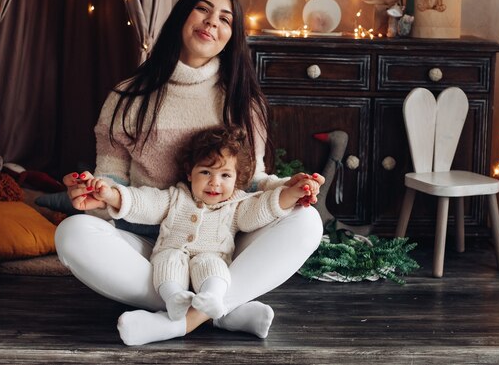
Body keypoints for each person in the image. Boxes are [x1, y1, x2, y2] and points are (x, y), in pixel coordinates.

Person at [55, 0, 324, 346]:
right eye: (203, 9)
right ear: (182, 15)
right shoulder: (128, 97)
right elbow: (112, 179)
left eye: (225, 18)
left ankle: (180, 320)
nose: (212, 22)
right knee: (71, 233)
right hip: (152, 245)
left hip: (225, 239)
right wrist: (97, 195)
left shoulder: (243, 99)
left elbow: (255, 181)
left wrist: (289, 188)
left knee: (307, 220)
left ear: (232, 35)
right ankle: (222, 310)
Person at [81, 126, 322, 325]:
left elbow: (261, 209)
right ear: (189, 172)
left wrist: (292, 194)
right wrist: (111, 195)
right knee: (166, 264)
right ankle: (178, 300)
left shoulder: (236, 205)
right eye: (206, 172)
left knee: (214, 268)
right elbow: (143, 202)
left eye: (225, 176)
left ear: (237, 180)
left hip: (211, 256)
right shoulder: (175, 197)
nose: (214, 183)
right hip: (172, 253)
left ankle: (212, 301)